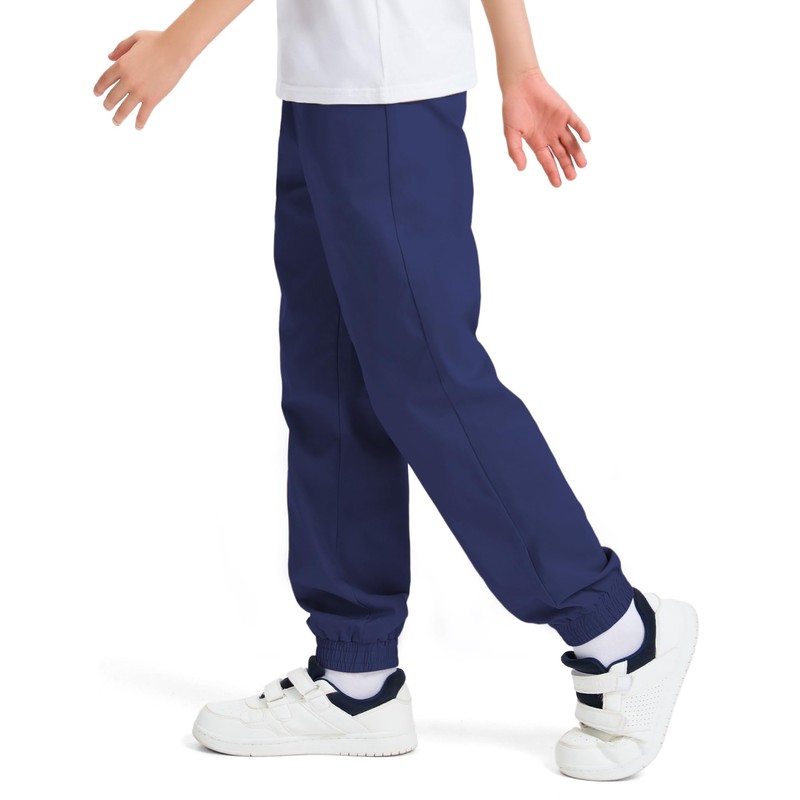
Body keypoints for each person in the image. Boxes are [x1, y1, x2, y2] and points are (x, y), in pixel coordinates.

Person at [93, 0, 698, 781]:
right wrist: (518, 66)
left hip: (388, 92)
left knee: (431, 383)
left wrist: (181, 45)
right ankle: (358, 676)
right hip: (327, 87)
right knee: (330, 382)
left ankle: (620, 634)